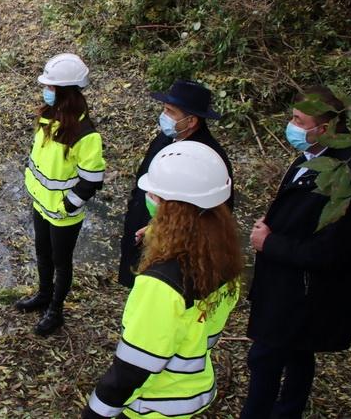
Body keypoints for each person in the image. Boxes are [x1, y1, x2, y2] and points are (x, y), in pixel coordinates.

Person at [83, 141, 243, 419]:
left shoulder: (161, 284)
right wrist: (162, 235)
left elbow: (132, 370)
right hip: (192, 389)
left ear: (176, 210)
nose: (150, 199)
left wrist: (95, 413)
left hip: (155, 404)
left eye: (156, 196)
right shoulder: (222, 256)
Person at [241, 86, 351, 419]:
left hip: (301, 291)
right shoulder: (310, 158)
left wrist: (269, 242)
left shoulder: (341, 179)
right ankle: (289, 408)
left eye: (298, 120)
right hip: (286, 281)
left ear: (325, 129)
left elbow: (331, 249)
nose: (291, 126)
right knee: (298, 353)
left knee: (265, 358)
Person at [17, 53, 106, 336]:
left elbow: (91, 180)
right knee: (42, 253)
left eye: (52, 88)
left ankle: (56, 310)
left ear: (67, 92)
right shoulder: (47, 117)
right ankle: (43, 295)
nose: (47, 91)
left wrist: (68, 205)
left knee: (61, 261)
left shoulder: (85, 134)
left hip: (63, 213)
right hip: (41, 204)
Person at [118, 79, 233, 288]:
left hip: (173, 251)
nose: (164, 116)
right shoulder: (165, 139)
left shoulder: (208, 160)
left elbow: (212, 215)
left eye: (171, 111)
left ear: (191, 121)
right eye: (164, 109)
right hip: (143, 234)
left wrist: (162, 230)